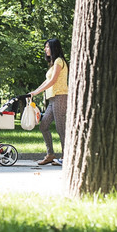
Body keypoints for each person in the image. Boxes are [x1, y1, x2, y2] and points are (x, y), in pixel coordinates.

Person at [29, 38, 68, 166]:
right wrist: (34, 92)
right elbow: (47, 81)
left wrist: (36, 92)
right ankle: (50, 154)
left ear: (54, 47)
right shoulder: (53, 63)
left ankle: (66, 157)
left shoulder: (59, 61)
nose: (45, 49)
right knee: (43, 126)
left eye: (47, 47)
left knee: (60, 128)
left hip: (60, 97)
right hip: (52, 99)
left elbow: (53, 81)